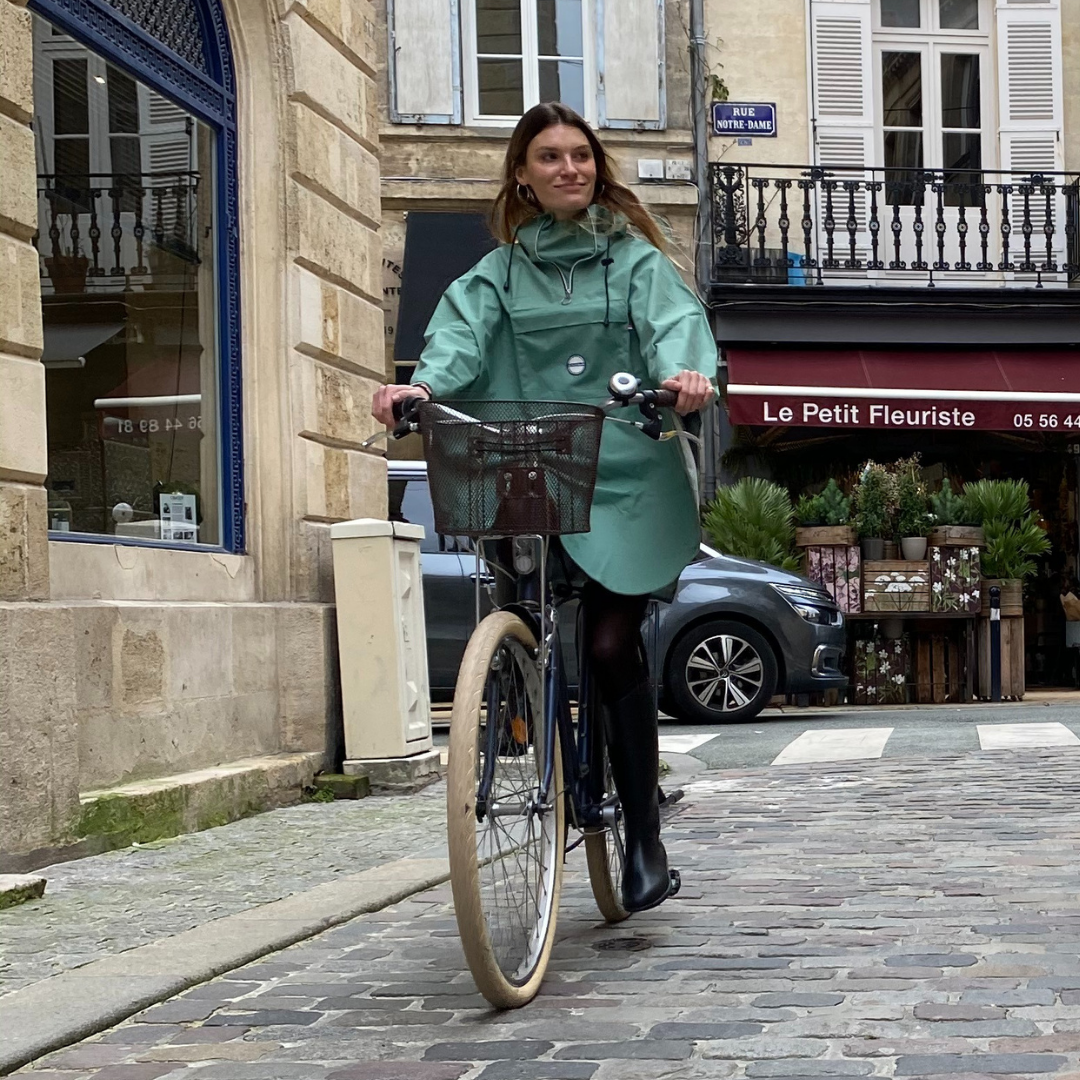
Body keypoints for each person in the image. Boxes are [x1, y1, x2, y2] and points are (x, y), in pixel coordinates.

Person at [372, 102, 717, 913]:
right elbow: (456, 344)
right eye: (550, 157)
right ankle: (527, 695)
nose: (569, 168)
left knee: (605, 643)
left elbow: (672, 327)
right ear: (521, 174)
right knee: (527, 611)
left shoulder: (634, 262)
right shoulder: (494, 275)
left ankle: (643, 834)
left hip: (627, 468)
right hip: (529, 464)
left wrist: (685, 377)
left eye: (581, 156)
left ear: (597, 167)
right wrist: (420, 388)